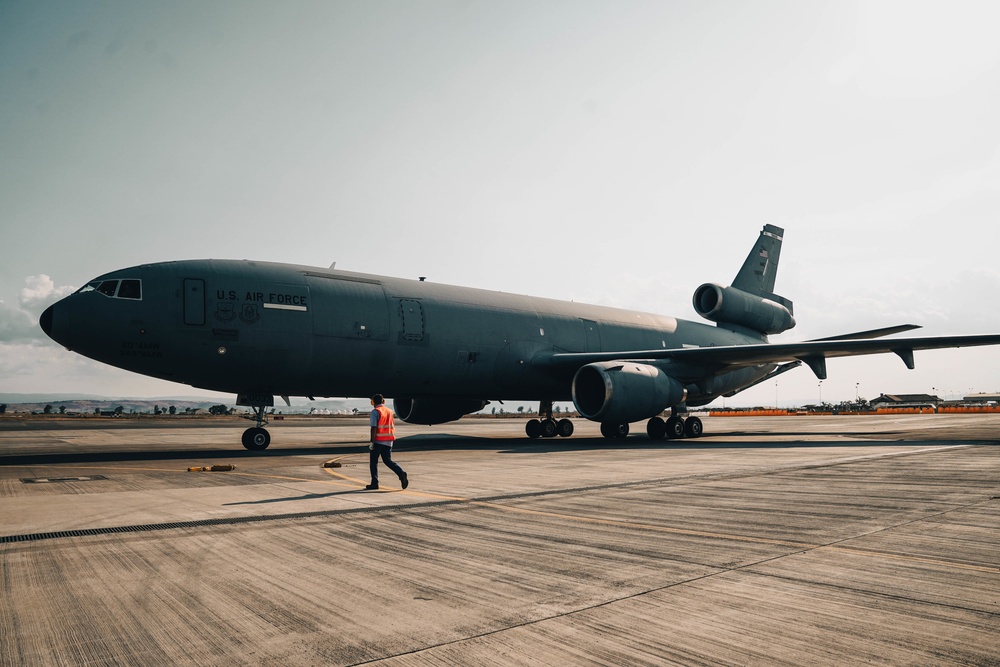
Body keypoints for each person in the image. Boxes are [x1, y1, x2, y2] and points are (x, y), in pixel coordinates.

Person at [367, 394, 408, 490]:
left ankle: (374, 483)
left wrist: (372, 442)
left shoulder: (375, 412)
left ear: (373, 402)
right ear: (383, 401)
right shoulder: (390, 411)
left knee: (373, 463)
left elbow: (374, 427)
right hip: (389, 440)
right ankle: (401, 473)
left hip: (378, 441)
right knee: (388, 461)